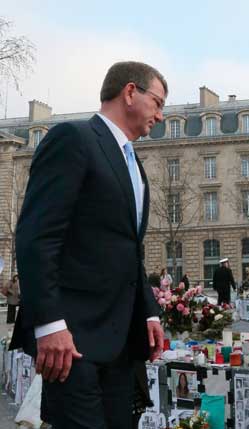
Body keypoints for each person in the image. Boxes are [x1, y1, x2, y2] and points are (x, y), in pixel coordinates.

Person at [10, 61, 166, 429]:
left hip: (119, 342)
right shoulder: (73, 139)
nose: (160, 116)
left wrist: (150, 311)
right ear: (130, 92)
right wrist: (48, 324)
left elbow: (127, 249)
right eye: (157, 103)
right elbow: (36, 236)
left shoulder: (135, 166)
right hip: (71, 340)